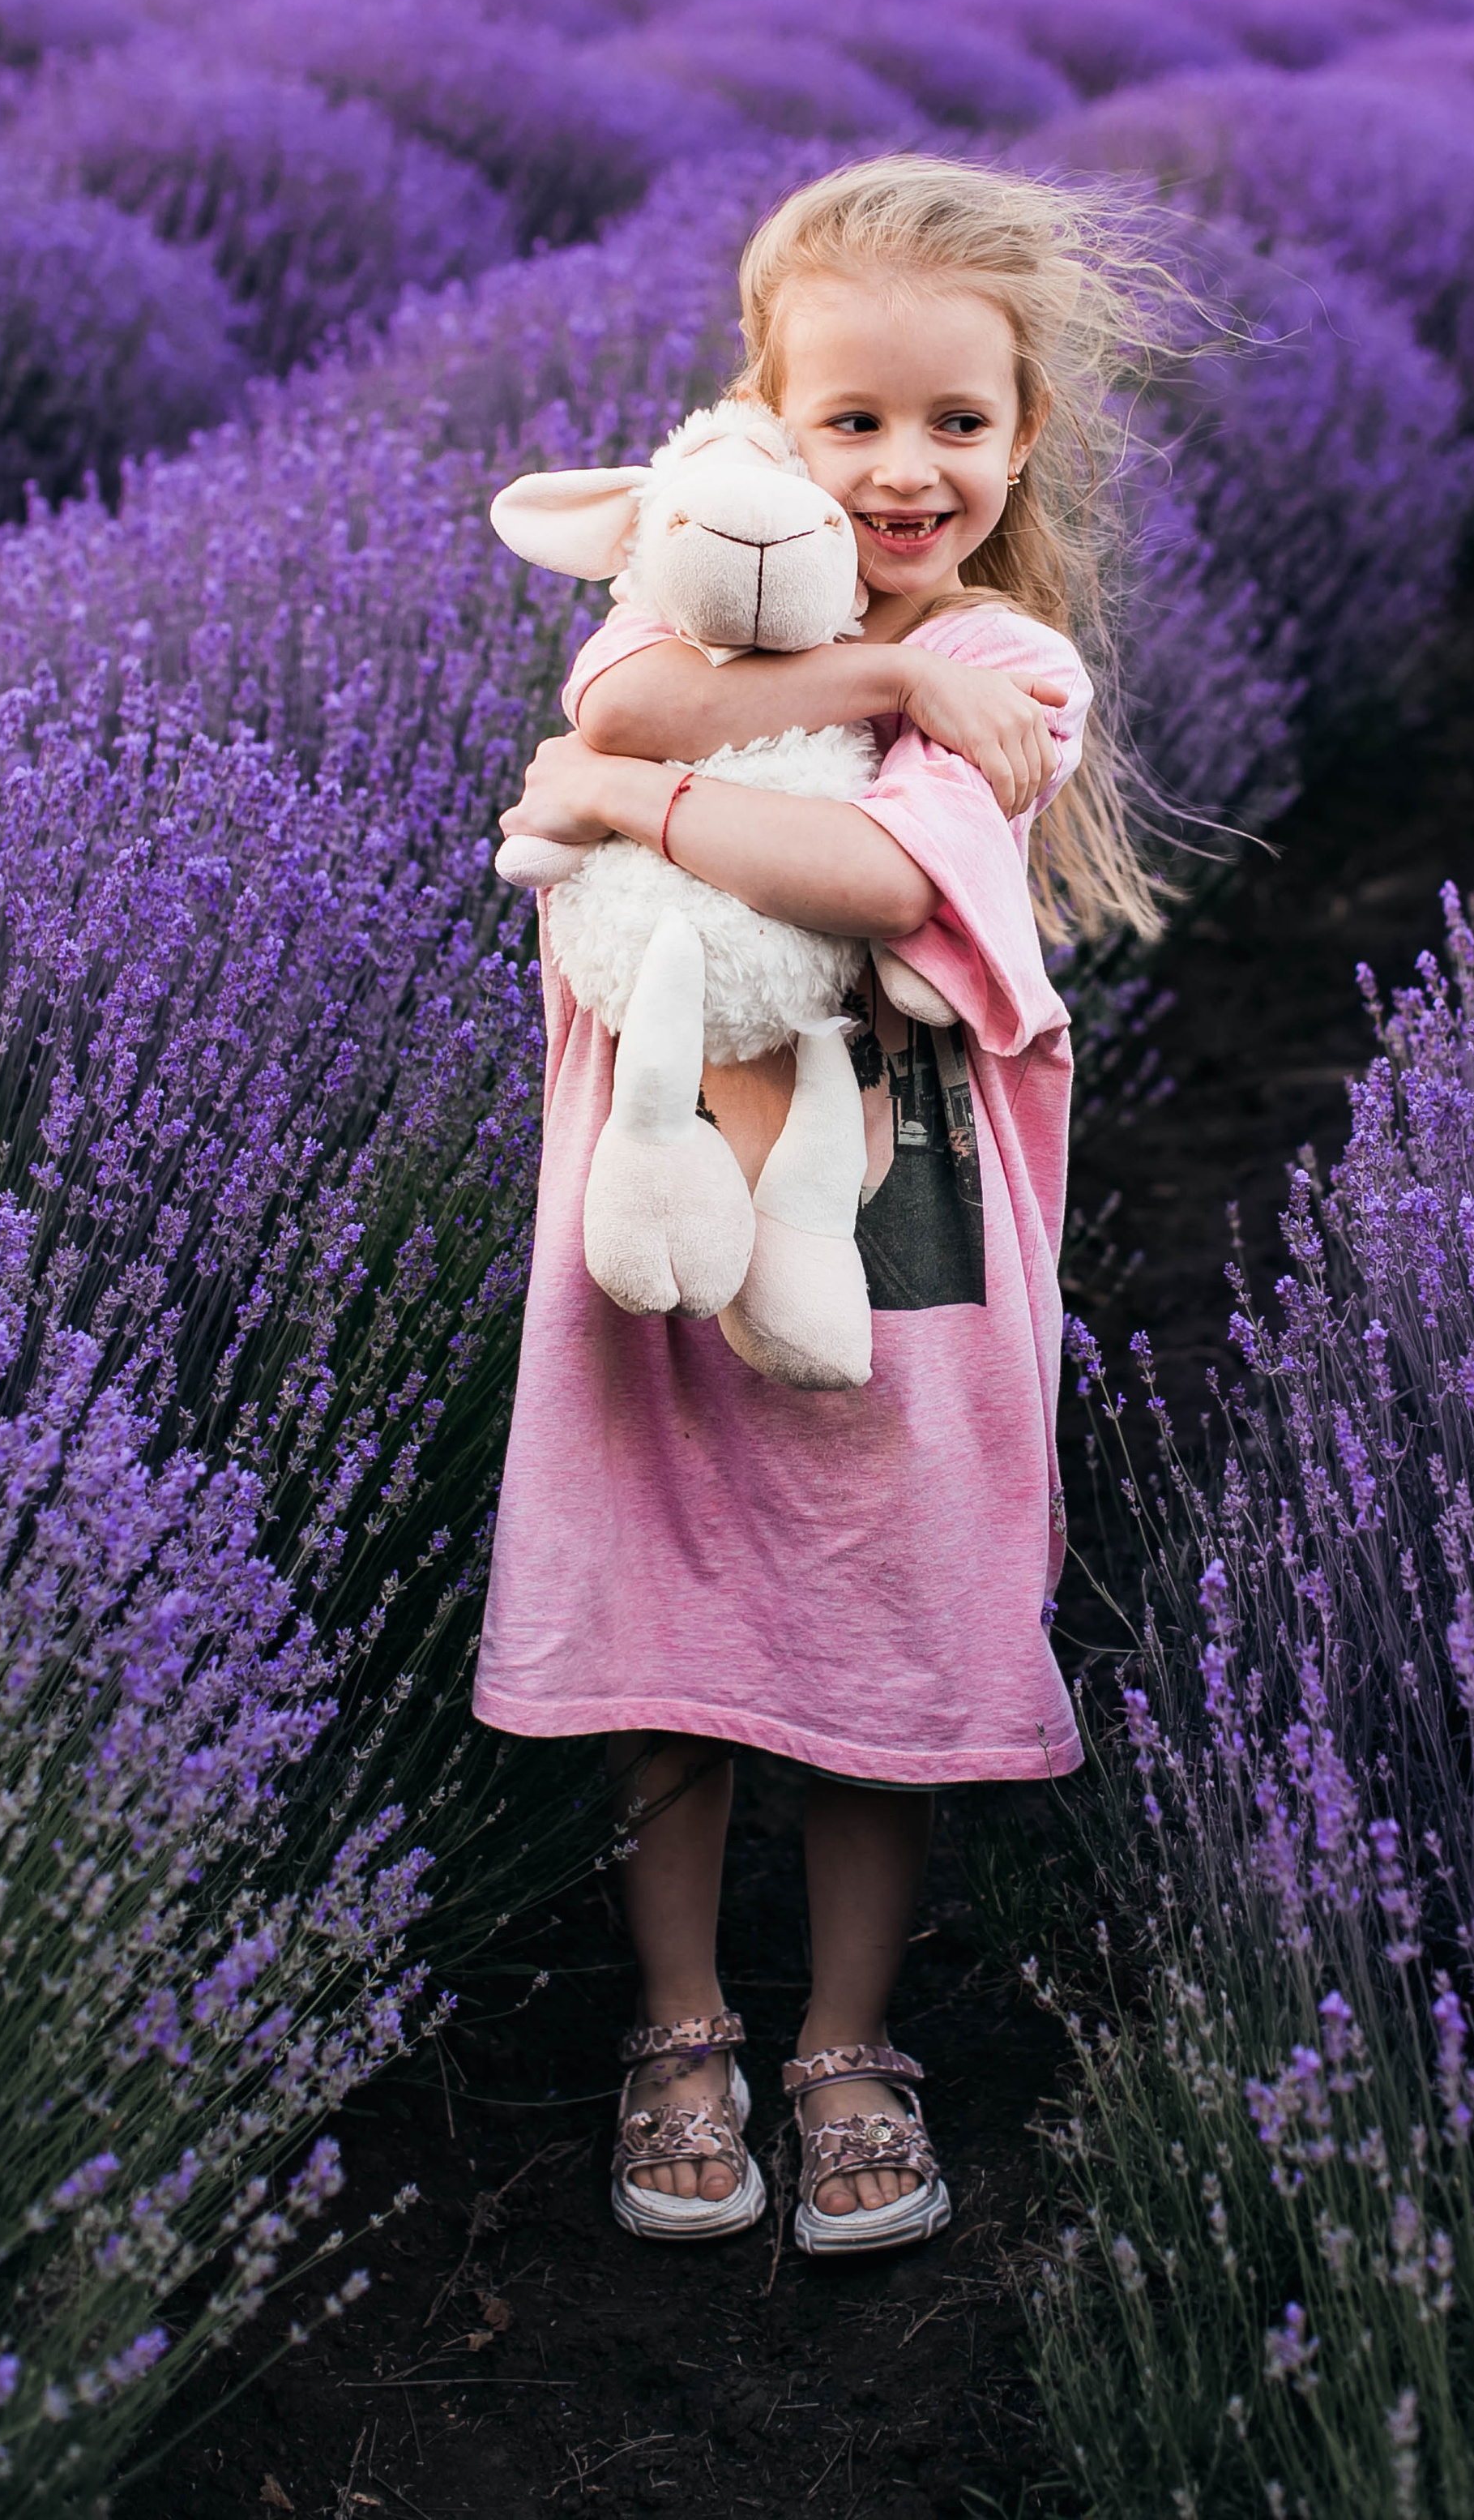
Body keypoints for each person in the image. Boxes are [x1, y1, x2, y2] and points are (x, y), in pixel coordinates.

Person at [476, 154, 1162, 2255]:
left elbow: (872, 882)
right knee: (659, 1592)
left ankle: (849, 2038)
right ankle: (679, 2022)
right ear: (764, 425)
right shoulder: (699, 602)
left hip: (905, 1231)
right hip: (659, 1211)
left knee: (892, 1603)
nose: (902, 468)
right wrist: (843, 687)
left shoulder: (1013, 665)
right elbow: (629, 696)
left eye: (955, 423)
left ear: (1021, 436)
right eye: (849, 422)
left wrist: (621, 808)